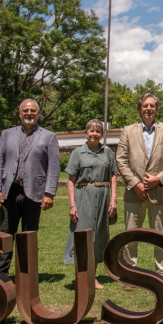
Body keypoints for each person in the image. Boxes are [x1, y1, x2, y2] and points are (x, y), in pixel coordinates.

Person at [116, 93, 163, 287]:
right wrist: (135, 184)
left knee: (159, 236)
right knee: (131, 235)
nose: (149, 109)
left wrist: (158, 179)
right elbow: (121, 159)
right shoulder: (128, 131)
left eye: (152, 106)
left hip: (158, 193)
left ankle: (161, 273)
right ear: (139, 109)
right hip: (134, 194)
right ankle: (130, 274)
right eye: (145, 106)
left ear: (156, 109)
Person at [0, 99, 60, 276]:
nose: (29, 114)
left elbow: (53, 167)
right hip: (9, 191)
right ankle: (1, 274)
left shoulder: (48, 136)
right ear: (20, 114)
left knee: (29, 235)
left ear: (38, 114)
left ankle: (27, 273)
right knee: (6, 233)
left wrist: (49, 193)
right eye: (25, 111)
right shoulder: (7, 134)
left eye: (32, 111)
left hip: (34, 193)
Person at [64, 119, 117, 289]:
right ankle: (81, 276)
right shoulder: (77, 153)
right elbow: (71, 181)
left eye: (98, 131)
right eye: (91, 131)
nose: (94, 134)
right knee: (82, 235)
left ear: (102, 134)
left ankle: (92, 277)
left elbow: (113, 176)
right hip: (83, 196)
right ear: (85, 133)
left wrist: (114, 199)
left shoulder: (107, 152)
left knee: (99, 236)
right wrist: (72, 204)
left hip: (103, 197)